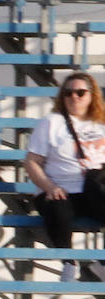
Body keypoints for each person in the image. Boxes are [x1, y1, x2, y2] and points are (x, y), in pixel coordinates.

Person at [25, 70, 105, 282]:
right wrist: (49, 186)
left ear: (91, 96)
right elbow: (32, 161)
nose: (74, 97)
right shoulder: (52, 122)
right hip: (60, 188)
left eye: (80, 92)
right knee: (59, 208)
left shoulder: (101, 123)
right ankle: (69, 261)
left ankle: (101, 266)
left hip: (94, 188)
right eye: (68, 93)